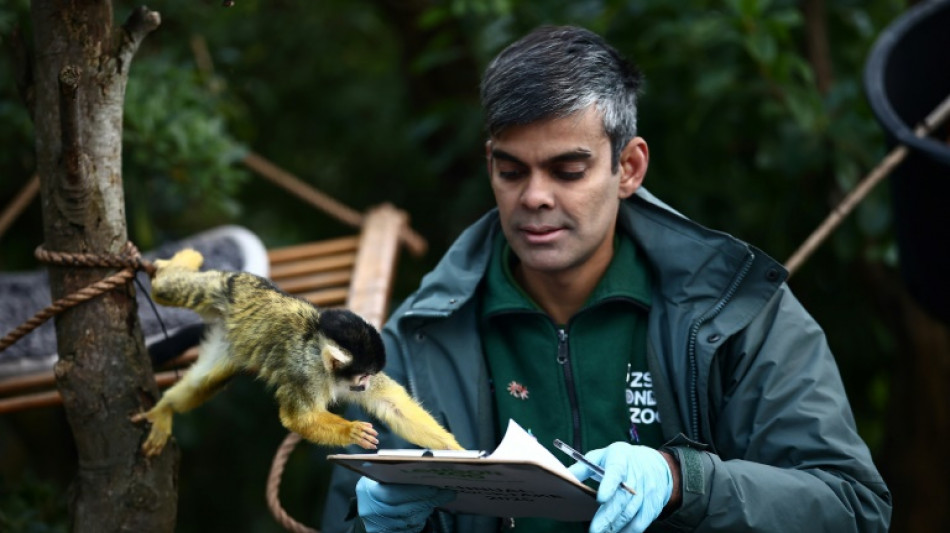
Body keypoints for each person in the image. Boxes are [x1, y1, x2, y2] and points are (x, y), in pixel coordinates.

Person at [322, 25, 892, 533]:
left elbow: (853, 508)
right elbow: (348, 515)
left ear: (628, 168)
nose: (535, 197)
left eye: (568, 170)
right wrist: (377, 527)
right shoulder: (414, 343)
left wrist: (681, 481)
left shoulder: (737, 311)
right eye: (511, 170)